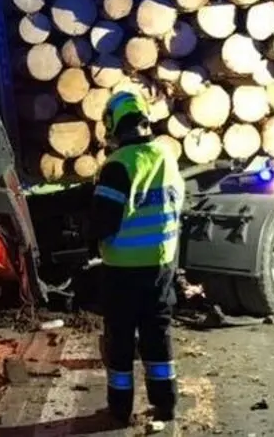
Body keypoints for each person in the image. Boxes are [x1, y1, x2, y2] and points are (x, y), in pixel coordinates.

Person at [87, 90, 185, 428]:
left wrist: (87, 246)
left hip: (123, 270)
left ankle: (119, 409)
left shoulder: (118, 166)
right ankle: (166, 404)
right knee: (158, 335)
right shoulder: (165, 157)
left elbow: (103, 221)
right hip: (161, 266)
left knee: (121, 342)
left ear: (112, 126)